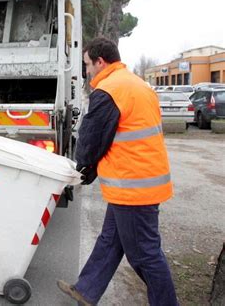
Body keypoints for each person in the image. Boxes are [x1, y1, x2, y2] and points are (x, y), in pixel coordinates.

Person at [57, 37, 178, 306]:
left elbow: (92, 139)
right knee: (110, 240)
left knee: (145, 255)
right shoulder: (137, 84)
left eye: (88, 64)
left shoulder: (109, 89)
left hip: (133, 186)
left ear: (100, 62)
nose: (87, 70)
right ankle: (86, 291)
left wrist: (84, 166)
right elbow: (123, 133)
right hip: (140, 180)